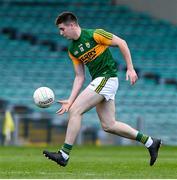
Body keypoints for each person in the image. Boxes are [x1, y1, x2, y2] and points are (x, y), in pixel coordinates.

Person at [43, 12, 161, 167]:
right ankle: (150, 142)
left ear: (72, 25)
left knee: (76, 111)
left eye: (62, 29)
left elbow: (122, 43)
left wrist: (130, 68)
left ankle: (64, 154)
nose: (61, 33)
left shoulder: (95, 34)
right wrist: (70, 100)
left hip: (107, 78)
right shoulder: (72, 49)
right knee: (109, 125)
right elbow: (79, 77)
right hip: (100, 81)